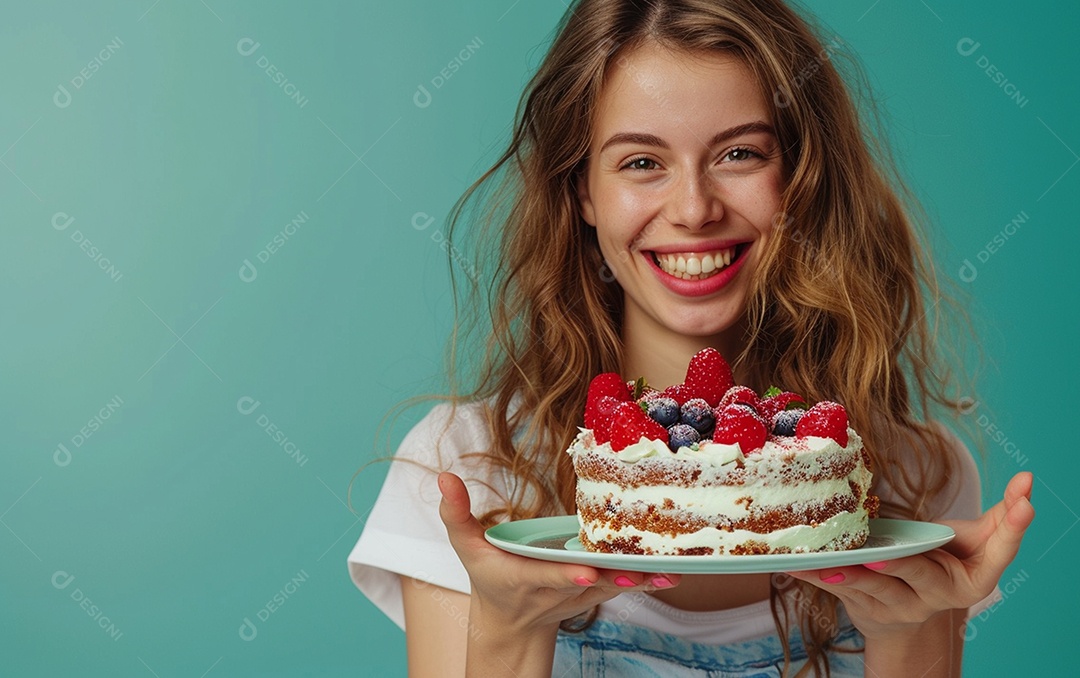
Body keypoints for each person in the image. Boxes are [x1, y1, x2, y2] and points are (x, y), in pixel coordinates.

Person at [348, 0, 1035, 675]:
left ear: (799, 178)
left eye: (739, 153)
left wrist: (908, 631)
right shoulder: (467, 470)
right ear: (582, 190)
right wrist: (507, 628)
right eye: (642, 162)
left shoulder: (918, 477)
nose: (694, 210)